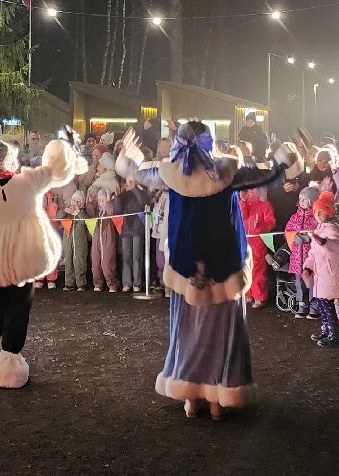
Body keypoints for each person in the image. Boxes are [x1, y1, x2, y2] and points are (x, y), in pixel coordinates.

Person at [116, 122, 302, 420]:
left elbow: (136, 172)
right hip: (225, 265)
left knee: (188, 332)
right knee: (223, 333)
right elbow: (266, 173)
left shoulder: (169, 172)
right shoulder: (227, 172)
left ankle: (191, 398)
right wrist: (285, 156)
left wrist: (131, 156)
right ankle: (219, 397)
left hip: (185, 267)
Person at [0, 134, 83, 388]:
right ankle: (8, 369)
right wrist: (64, 150)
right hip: (25, 256)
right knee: (18, 309)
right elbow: (56, 170)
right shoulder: (28, 181)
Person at [303, 192, 339, 347]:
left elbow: (335, 246)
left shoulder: (332, 229)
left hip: (332, 274)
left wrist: (318, 240)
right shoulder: (320, 229)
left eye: (320, 212)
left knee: (328, 306)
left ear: (328, 213)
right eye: (315, 212)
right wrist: (307, 267)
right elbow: (313, 252)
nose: (316, 215)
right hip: (321, 275)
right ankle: (326, 329)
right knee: (323, 305)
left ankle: (334, 335)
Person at [239, 183, 277, 308]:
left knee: (258, 270)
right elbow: (241, 217)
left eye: (254, 187)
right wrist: (243, 201)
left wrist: (261, 225)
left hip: (259, 243)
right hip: (245, 241)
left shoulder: (265, 205)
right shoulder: (243, 203)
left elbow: (270, 223)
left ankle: (259, 296)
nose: (251, 191)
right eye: (249, 188)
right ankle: (248, 293)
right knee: (246, 267)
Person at [60, 190, 91, 291]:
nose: (75, 203)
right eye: (74, 200)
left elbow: (87, 223)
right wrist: (65, 210)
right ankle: (69, 283)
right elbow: (58, 217)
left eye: (78, 201)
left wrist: (79, 213)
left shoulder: (84, 213)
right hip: (68, 240)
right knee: (68, 260)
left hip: (80, 241)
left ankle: (81, 283)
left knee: (79, 261)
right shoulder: (67, 212)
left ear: (82, 203)